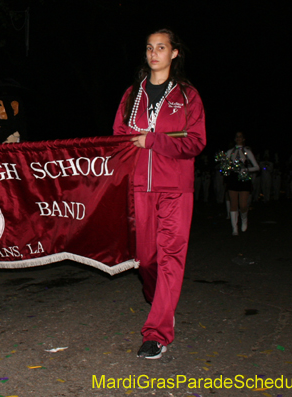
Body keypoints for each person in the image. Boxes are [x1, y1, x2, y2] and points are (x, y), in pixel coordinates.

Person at [113, 28, 206, 360]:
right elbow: (118, 141)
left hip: (175, 189)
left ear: (174, 53)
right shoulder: (131, 95)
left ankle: (157, 331)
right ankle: (159, 299)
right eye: (150, 47)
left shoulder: (187, 96)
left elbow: (195, 142)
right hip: (139, 188)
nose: (154, 53)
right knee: (146, 258)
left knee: (170, 258)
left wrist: (153, 140)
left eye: (161, 47)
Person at [225, 132, 260, 235]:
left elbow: (257, 167)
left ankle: (244, 218)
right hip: (233, 178)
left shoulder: (247, 151)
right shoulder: (230, 152)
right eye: (237, 137)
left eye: (240, 136)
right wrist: (227, 168)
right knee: (233, 203)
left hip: (244, 178)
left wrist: (246, 169)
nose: (238, 138)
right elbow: (225, 166)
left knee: (243, 205)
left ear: (244, 139)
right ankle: (234, 228)